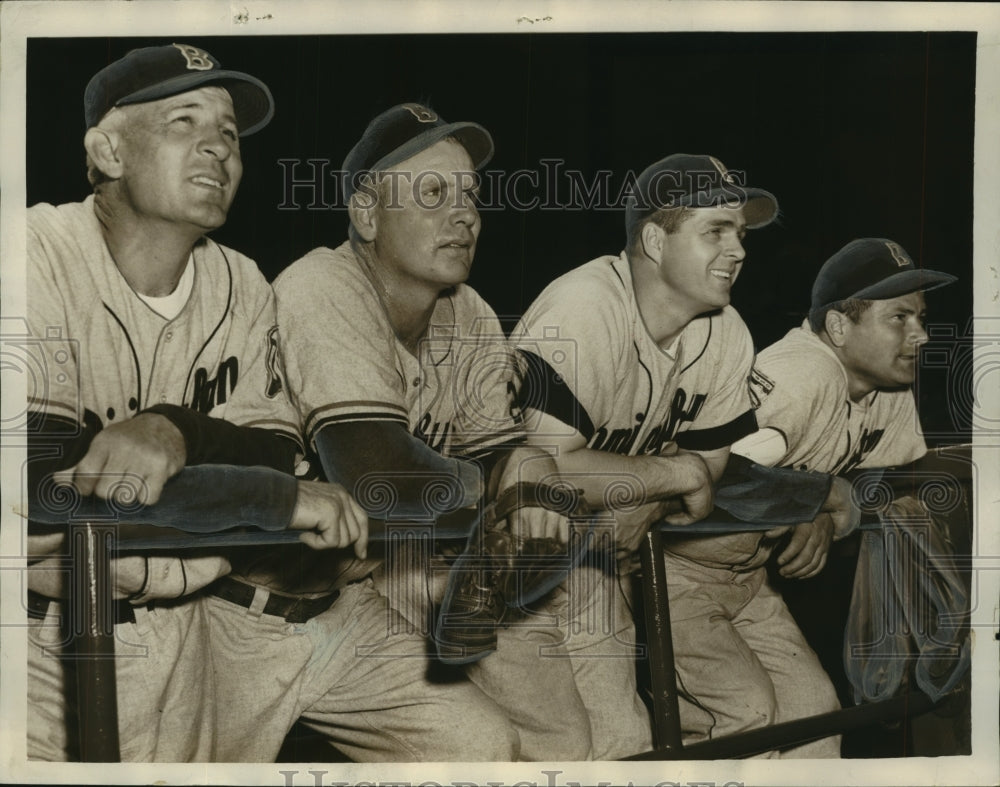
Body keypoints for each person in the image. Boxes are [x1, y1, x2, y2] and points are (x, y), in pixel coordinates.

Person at [25, 43, 375, 762]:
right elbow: (47, 488)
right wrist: (267, 497)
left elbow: (275, 450)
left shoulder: (240, 282)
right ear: (109, 150)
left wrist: (176, 431)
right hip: (35, 641)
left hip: (181, 638)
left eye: (230, 134)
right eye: (185, 121)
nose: (218, 147)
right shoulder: (34, 252)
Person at [214, 102, 584, 761]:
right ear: (364, 213)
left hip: (343, 606)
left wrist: (527, 462)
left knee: (481, 747)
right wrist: (500, 491)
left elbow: (496, 451)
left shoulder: (466, 311)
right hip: (235, 614)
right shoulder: (321, 285)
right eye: (434, 192)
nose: (465, 215)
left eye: (472, 196)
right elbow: (377, 472)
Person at [512, 153, 852, 758]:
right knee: (607, 745)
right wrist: (673, 472)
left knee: (800, 715)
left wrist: (651, 490)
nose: (738, 250)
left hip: (598, 558)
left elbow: (713, 474)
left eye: (741, 234)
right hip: (503, 563)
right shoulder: (583, 308)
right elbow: (542, 472)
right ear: (653, 239)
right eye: (715, 230)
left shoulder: (724, 330)